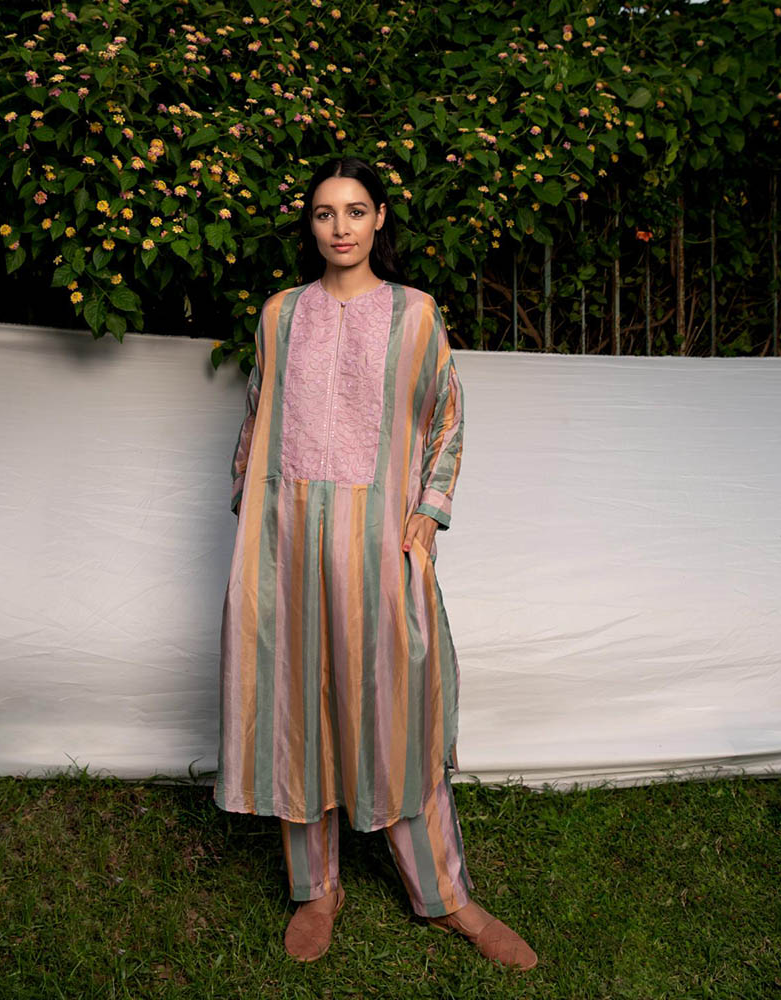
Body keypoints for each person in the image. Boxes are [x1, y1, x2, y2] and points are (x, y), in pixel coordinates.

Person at [214, 156, 537, 970]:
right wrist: (250, 513)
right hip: (287, 545)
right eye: (325, 213)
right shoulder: (281, 314)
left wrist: (428, 513)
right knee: (295, 707)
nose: (341, 228)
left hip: (377, 545)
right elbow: (256, 416)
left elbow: (447, 416)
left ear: (380, 218)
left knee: (398, 709)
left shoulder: (416, 315)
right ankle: (315, 889)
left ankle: (446, 896)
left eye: (355, 211)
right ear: (310, 224)